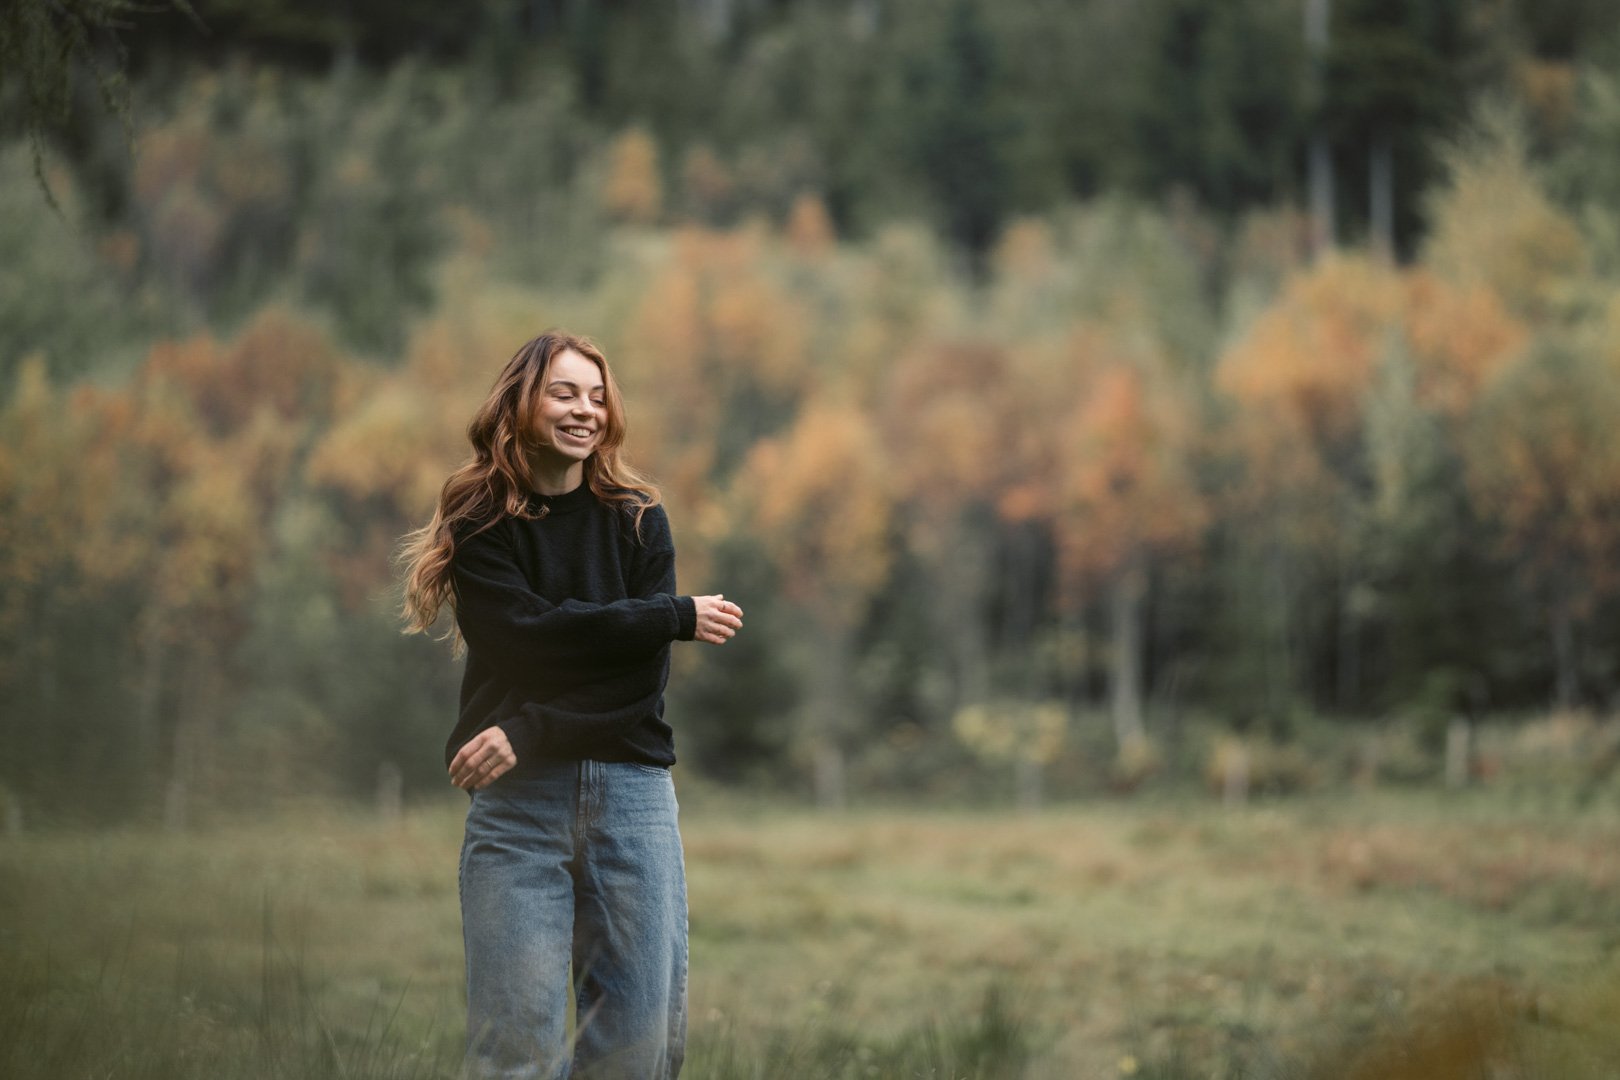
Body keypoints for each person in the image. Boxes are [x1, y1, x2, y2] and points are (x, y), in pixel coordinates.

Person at [398, 331, 742, 1079]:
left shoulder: (639, 519)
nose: (585, 410)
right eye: (564, 392)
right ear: (520, 403)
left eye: (596, 395)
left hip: (633, 800)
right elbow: (529, 642)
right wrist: (670, 615)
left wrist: (529, 725)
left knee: (635, 1050)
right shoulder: (481, 524)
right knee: (513, 1053)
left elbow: (636, 686)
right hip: (518, 808)